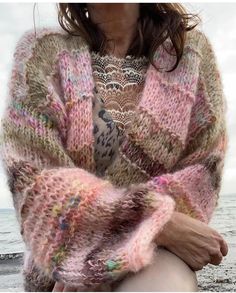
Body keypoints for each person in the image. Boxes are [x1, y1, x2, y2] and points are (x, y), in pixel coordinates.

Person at [0, 3, 229, 292]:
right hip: (60, 261)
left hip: (157, 260)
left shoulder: (190, 55)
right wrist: (158, 221)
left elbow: (203, 170)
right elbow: (33, 179)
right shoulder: (41, 54)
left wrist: (143, 234)